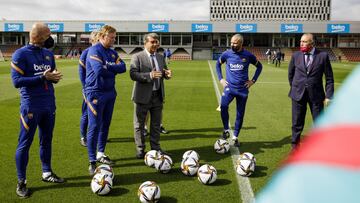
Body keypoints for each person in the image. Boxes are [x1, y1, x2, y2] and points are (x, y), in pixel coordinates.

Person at [11, 22, 64, 198]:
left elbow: (51, 76)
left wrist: (54, 78)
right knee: (25, 143)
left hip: (49, 104)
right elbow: (17, 81)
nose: (51, 37)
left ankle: (47, 173)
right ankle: (21, 182)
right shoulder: (21, 54)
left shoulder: (48, 54)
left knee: (46, 140)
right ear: (38, 36)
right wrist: (42, 77)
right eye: (48, 34)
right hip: (31, 106)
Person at [85, 25, 126, 174]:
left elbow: (123, 67)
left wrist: (108, 67)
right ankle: (92, 160)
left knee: (105, 124)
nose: (114, 40)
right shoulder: (94, 50)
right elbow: (98, 70)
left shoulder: (112, 53)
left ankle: (100, 153)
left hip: (110, 92)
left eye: (115, 37)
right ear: (103, 37)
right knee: (94, 126)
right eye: (112, 37)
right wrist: (111, 68)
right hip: (95, 93)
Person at [288, 33, 334, 150]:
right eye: (301, 41)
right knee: (297, 122)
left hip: (316, 96)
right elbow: (291, 74)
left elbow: (329, 77)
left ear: (312, 43)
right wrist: (295, 88)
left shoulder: (323, 56)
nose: (301, 44)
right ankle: (295, 145)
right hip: (298, 94)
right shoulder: (296, 55)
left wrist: (329, 95)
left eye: (304, 42)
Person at [130, 33, 172, 159]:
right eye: (153, 42)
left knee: (155, 124)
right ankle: (140, 150)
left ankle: (155, 148)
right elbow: (133, 74)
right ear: (145, 43)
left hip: (157, 95)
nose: (155, 44)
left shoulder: (160, 57)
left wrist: (167, 74)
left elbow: (163, 72)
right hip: (142, 96)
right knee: (139, 125)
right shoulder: (137, 56)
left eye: (157, 42)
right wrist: (149, 75)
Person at [216, 34, 263, 147]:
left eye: (235, 43)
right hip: (229, 88)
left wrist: (253, 80)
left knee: (240, 114)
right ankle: (226, 130)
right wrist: (221, 79)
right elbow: (218, 64)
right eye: (231, 42)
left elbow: (259, 66)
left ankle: (235, 137)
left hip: (242, 90)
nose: (232, 45)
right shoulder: (226, 54)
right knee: (223, 106)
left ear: (241, 43)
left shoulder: (248, 55)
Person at [78, 31, 99, 147]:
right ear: (91, 40)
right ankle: (83, 136)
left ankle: (98, 135)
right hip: (89, 88)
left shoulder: (102, 52)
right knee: (86, 112)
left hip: (101, 89)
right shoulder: (86, 53)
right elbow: (81, 71)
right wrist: (85, 87)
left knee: (99, 113)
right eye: (96, 38)